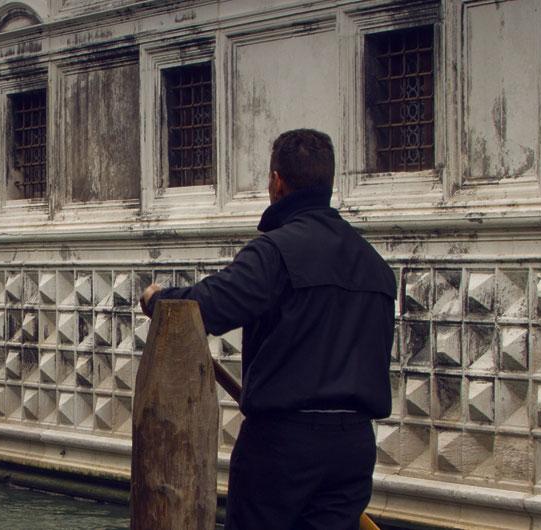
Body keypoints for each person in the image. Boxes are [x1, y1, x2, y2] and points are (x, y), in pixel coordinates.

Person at [140, 129, 394, 530]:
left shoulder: (275, 251)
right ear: (328, 183)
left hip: (284, 445)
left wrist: (156, 299)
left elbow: (205, 307)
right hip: (353, 447)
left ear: (277, 181)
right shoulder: (374, 265)